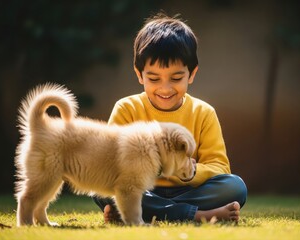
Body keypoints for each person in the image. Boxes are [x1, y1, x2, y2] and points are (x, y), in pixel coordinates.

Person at [92, 13, 247, 223]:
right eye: (154, 78)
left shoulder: (204, 112)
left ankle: (133, 213)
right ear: (139, 74)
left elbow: (220, 168)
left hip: (189, 190)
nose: (165, 88)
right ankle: (196, 215)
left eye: (176, 78)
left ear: (191, 74)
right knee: (101, 190)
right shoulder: (127, 108)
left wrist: (190, 172)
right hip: (142, 188)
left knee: (235, 187)